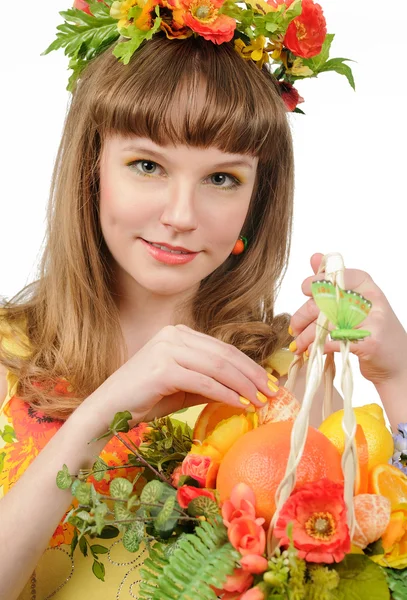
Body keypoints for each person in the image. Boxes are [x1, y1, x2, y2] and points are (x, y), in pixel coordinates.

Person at [0, 3, 406, 599]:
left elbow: (378, 576)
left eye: (222, 179)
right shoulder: (8, 358)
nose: (181, 216)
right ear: (92, 169)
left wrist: (398, 379)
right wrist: (97, 417)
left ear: (256, 198)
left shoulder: (284, 384)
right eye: (147, 165)